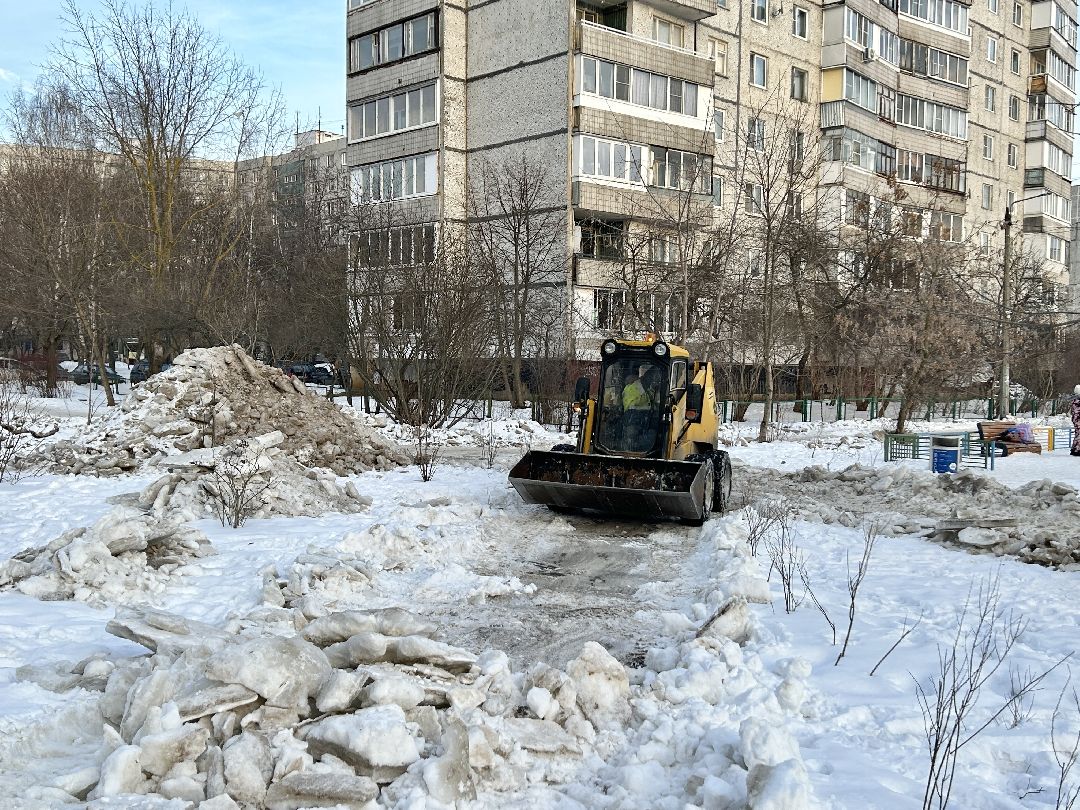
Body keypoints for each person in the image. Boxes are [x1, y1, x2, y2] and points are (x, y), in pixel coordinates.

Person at [1071, 384, 1080, 457]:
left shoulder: (1075, 401)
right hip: (1078, 420)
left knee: (1077, 434)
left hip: (1076, 420)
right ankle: (1077, 450)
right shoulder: (1077, 402)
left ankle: (1074, 449)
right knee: (1079, 435)